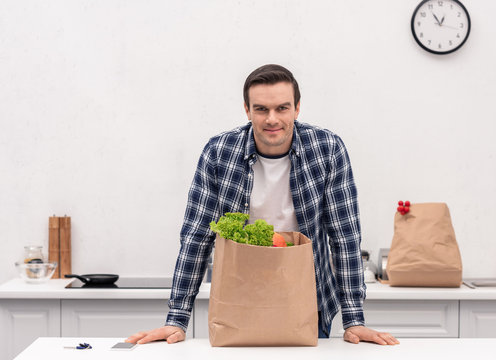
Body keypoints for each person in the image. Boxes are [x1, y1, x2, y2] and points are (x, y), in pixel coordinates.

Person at [126, 64, 399, 346]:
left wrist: (354, 319)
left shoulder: (328, 149)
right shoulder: (219, 152)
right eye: (261, 109)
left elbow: (344, 236)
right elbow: (196, 237)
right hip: (239, 299)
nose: (272, 119)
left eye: (282, 108)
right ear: (247, 109)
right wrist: (177, 318)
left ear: (297, 108)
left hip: (307, 299)